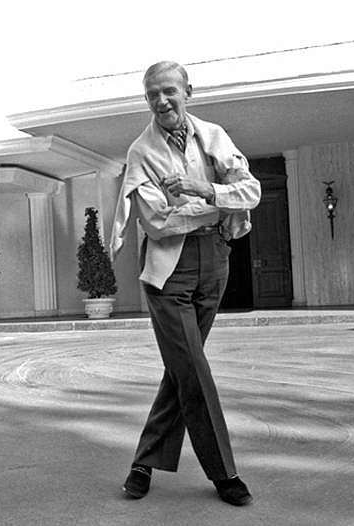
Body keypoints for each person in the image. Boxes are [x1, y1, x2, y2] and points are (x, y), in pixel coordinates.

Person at [110, 61, 261, 506]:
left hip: (215, 260)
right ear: (147, 100)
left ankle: (144, 461)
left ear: (188, 91)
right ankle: (224, 473)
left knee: (182, 369)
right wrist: (217, 201)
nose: (162, 101)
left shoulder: (214, 136)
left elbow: (250, 191)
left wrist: (201, 190)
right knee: (194, 369)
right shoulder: (141, 152)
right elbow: (157, 222)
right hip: (167, 270)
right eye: (152, 94)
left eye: (169, 91)